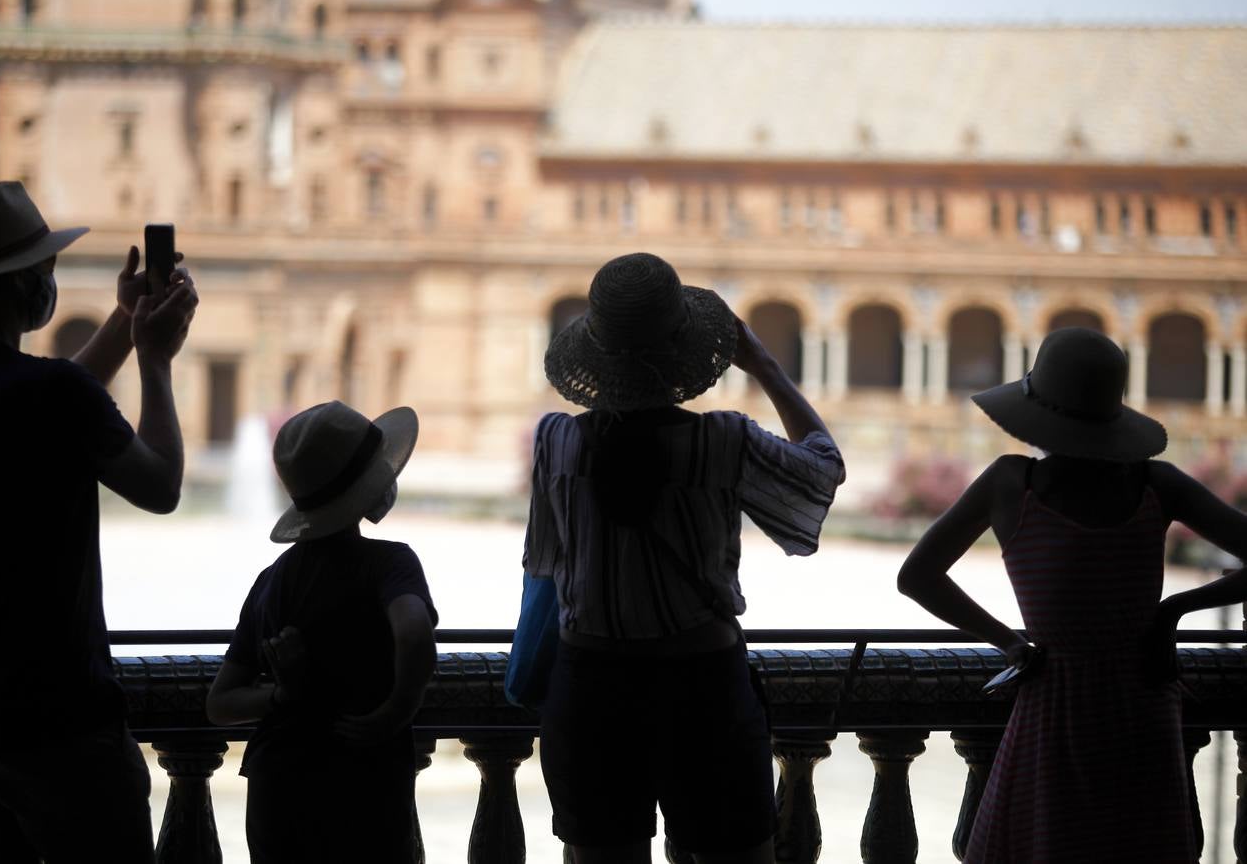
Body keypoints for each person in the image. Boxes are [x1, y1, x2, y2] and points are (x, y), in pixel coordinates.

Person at [0, 180, 199, 861]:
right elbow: (160, 486)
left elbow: (42, 405)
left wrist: (125, 320)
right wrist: (155, 361)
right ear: (25, 284)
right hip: (52, 712)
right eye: (47, 270)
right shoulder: (49, 395)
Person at [527, 252, 845, 864]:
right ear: (691, 350)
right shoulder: (723, 440)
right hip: (701, 688)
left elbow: (543, 563)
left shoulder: (555, 441)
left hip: (590, 688)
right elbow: (823, 473)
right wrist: (766, 366)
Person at [897, 327, 1247, 863]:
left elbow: (917, 577)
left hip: (1053, 704)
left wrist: (1008, 643)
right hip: (1141, 705)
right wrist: (1174, 609)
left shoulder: (1011, 485)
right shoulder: (1156, 485)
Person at [206, 401, 437, 863]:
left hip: (280, 780)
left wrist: (281, 696)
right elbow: (412, 631)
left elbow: (220, 703)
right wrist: (397, 710)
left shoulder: (271, 581)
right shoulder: (390, 563)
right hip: (363, 780)